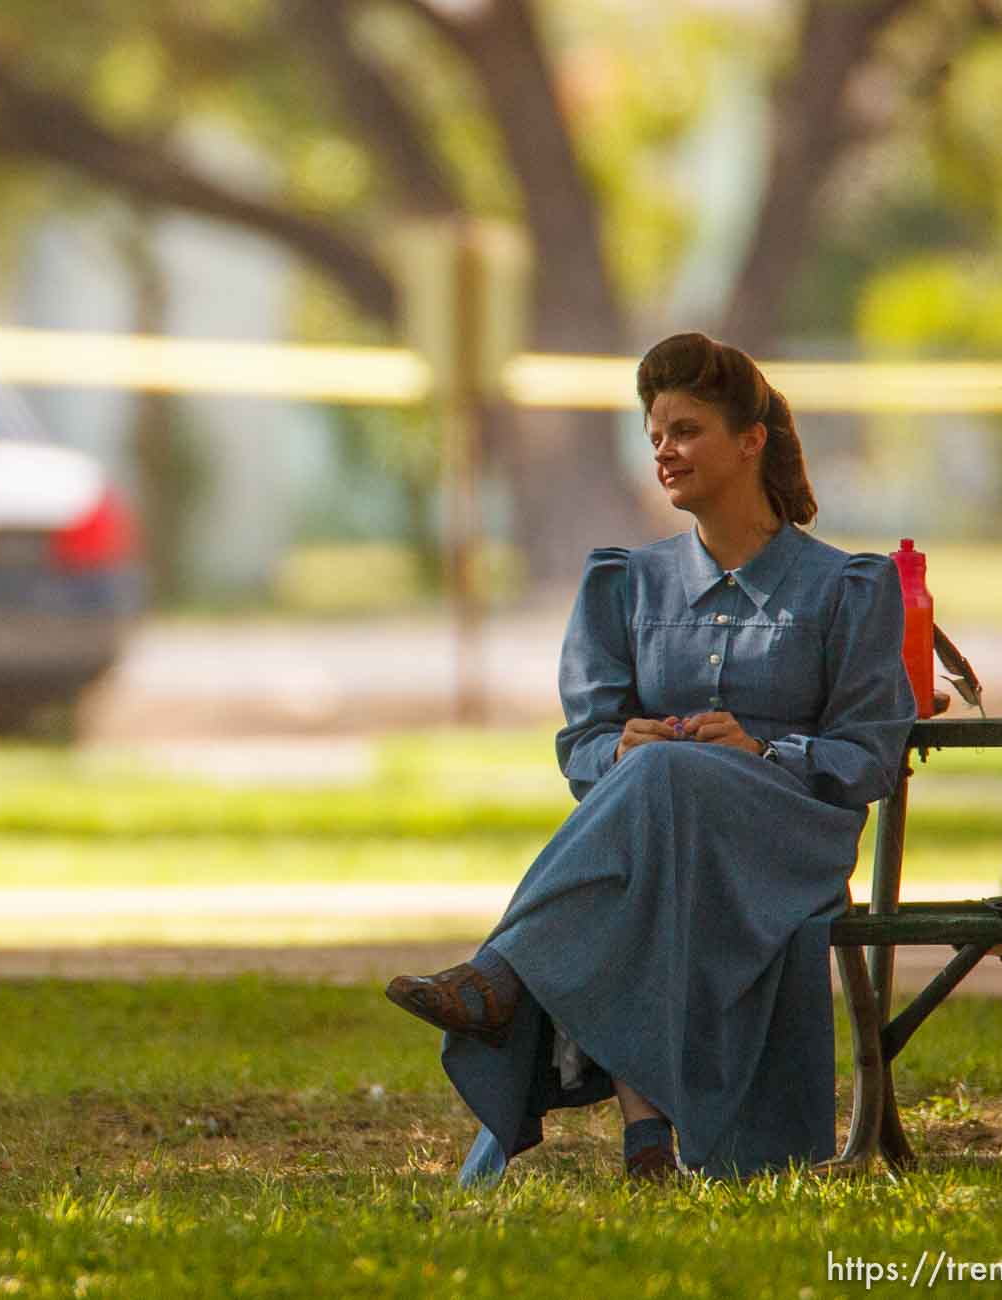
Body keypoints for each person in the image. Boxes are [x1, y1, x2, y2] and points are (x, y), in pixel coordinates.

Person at [386, 332, 916, 1183]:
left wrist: (763, 748)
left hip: (790, 840)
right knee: (654, 810)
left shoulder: (848, 587)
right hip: (661, 839)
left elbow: (870, 757)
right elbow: (583, 747)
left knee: (660, 788)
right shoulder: (624, 583)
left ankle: (504, 973)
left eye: (686, 430)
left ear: (750, 441)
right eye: (656, 433)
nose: (665, 450)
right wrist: (619, 749)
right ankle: (646, 1152)